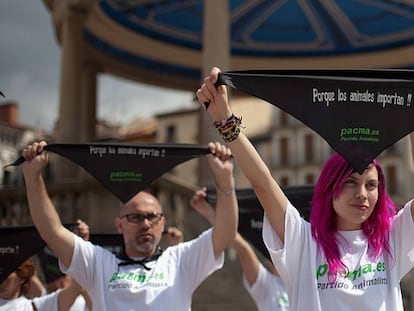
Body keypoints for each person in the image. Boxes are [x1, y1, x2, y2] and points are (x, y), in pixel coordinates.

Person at [196, 66, 414, 310]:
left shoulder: (392, 239)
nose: (362, 193)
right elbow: (263, 183)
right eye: (350, 182)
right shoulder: (303, 243)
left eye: (371, 185)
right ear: (330, 188)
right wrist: (224, 118)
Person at [21, 140, 237, 311]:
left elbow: (225, 234)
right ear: (120, 225)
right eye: (135, 217)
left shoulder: (181, 261)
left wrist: (225, 180)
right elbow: (52, 232)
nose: (145, 224)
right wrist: (33, 177)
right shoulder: (98, 264)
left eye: (152, 217)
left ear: (162, 222)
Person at [190, 186, 289, 311]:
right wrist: (211, 214)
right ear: (268, 262)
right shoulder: (268, 285)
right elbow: (243, 249)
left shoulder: (308, 282)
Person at [0, 258, 83, 311]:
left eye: (7, 274)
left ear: (22, 278)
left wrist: (80, 249)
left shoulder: (31, 307)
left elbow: (75, 288)